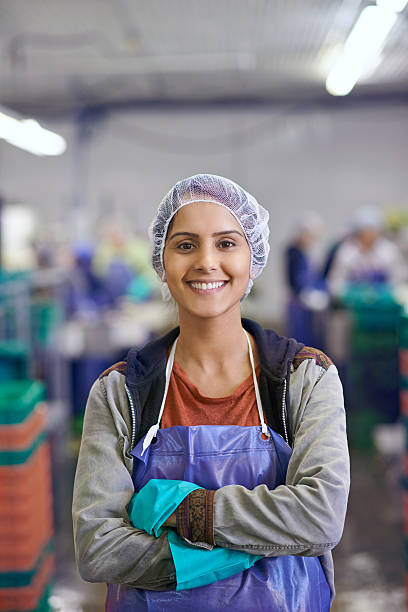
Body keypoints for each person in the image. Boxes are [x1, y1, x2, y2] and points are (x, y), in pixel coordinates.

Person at [72, 174, 350, 611]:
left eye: (226, 243)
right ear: (161, 262)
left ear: (253, 258)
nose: (205, 261)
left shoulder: (303, 379)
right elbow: (98, 546)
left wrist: (186, 509)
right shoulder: (121, 391)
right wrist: (243, 551)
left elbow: (319, 518)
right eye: (185, 245)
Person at [328, 206, 405, 298]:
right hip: (353, 305)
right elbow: (335, 283)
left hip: (383, 305)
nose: (370, 233)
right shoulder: (346, 252)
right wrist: (350, 294)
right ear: (358, 231)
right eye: (366, 229)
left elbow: (398, 280)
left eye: (373, 229)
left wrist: (384, 293)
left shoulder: (389, 251)